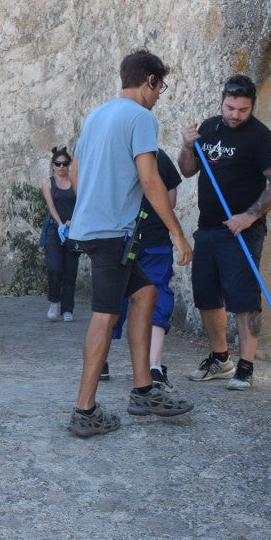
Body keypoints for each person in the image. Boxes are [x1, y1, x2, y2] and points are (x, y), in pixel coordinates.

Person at [66, 49, 194, 437]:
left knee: (145, 295)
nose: (158, 96)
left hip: (97, 230)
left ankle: (143, 391)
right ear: (149, 80)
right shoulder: (141, 117)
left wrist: (91, 204)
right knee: (105, 316)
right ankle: (84, 410)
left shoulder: (97, 115)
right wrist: (177, 233)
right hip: (112, 235)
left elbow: (74, 171)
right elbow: (151, 179)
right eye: (160, 87)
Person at [177, 74, 271, 391]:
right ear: (222, 101)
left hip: (242, 231)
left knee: (244, 300)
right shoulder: (209, 127)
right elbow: (187, 169)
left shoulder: (261, 137)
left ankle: (246, 366)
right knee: (207, 296)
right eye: (230, 107)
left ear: (252, 106)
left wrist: (249, 217)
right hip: (208, 227)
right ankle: (220, 359)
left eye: (242, 109)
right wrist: (187, 145)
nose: (235, 115)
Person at [109, 148, 183, 389]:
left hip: (123, 240)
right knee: (156, 295)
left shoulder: (113, 158)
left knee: (113, 299)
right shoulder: (158, 156)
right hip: (150, 240)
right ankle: (154, 367)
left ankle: (107, 362)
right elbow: (170, 196)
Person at [40, 146, 80, 322]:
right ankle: (54, 301)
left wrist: (73, 221)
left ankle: (67, 308)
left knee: (70, 271)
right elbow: (51, 206)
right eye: (58, 163)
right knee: (55, 268)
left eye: (65, 163)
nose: (62, 167)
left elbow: (81, 203)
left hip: (74, 230)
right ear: (53, 165)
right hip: (54, 230)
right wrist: (60, 224)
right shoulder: (48, 182)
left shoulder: (75, 180)